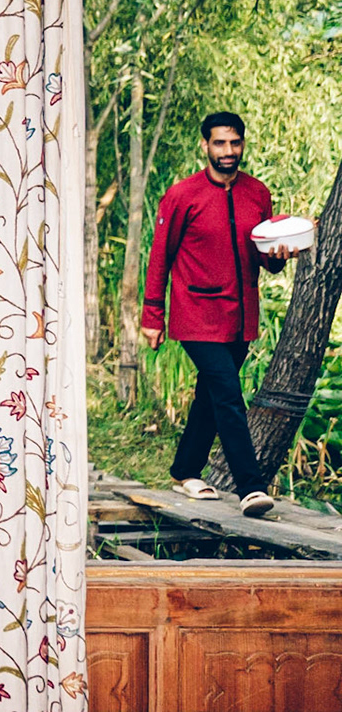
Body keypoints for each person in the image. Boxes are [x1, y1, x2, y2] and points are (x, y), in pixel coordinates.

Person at [141, 111, 292, 517]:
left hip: (240, 317)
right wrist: (152, 315)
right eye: (220, 143)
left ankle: (185, 470)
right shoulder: (181, 195)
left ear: (243, 144)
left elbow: (266, 259)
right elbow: (160, 257)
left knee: (210, 396)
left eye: (235, 142)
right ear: (205, 145)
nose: (228, 151)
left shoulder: (257, 193)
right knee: (227, 394)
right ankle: (251, 487)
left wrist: (280, 255)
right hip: (195, 314)